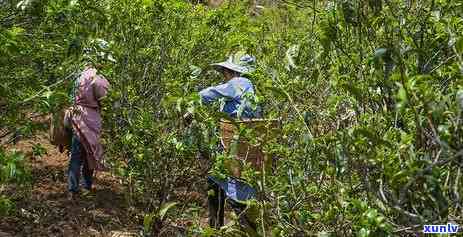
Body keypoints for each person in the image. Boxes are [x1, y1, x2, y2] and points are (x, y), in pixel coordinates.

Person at [65, 39, 113, 200]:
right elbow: (106, 101)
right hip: (90, 120)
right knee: (89, 154)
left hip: (76, 117)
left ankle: (72, 188)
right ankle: (86, 186)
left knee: (76, 154)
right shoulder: (98, 78)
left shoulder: (80, 75)